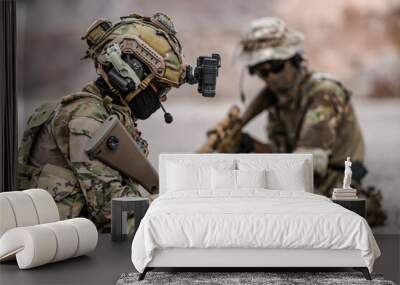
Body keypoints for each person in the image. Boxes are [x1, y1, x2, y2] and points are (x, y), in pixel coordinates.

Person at [17, 13, 199, 232]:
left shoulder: (105, 113)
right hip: (65, 251)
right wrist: (181, 215)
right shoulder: (86, 118)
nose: (162, 98)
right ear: (130, 73)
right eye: (160, 87)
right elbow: (115, 214)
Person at [200, 17, 386, 226]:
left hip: (329, 186)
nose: (270, 76)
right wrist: (247, 145)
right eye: (261, 70)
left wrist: (251, 149)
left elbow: (305, 166)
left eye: (276, 66)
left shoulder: (323, 94)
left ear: (295, 60)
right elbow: (284, 157)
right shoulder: (280, 99)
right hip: (301, 182)